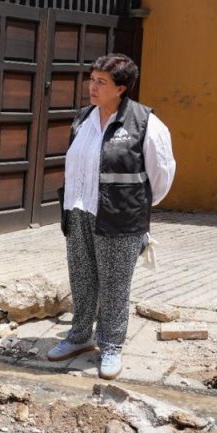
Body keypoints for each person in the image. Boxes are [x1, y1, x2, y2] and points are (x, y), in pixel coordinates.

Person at [47, 53, 176, 380]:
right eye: (92, 80)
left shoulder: (146, 123)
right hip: (79, 211)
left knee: (115, 285)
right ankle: (79, 336)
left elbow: (161, 175)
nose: (92, 87)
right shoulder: (82, 119)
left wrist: (136, 209)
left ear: (121, 88)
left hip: (120, 218)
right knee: (81, 278)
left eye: (101, 82)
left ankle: (111, 345)